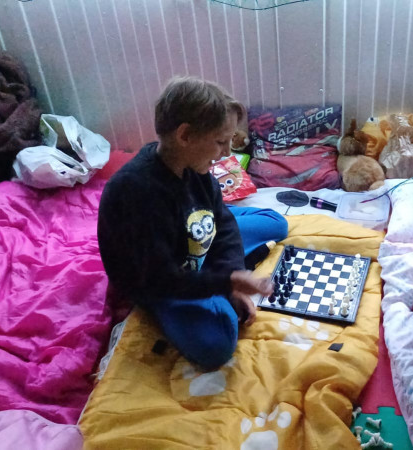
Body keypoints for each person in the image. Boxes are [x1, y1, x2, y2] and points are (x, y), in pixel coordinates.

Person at [97, 76, 288, 371]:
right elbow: (162, 279)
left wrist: (233, 275)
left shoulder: (194, 168)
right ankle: (204, 264)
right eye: (220, 142)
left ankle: (204, 247)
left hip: (191, 243)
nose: (228, 153)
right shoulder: (136, 193)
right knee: (216, 346)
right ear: (185, 135)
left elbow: (223, 225)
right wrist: (227, 284)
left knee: (275, 223)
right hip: (162, 280)